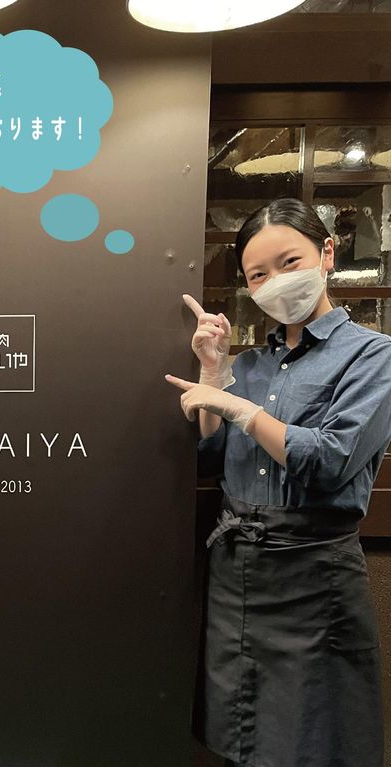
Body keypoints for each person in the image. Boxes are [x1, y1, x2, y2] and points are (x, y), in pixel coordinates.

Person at [165, 198, 391, 767]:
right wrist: (214, 373)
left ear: (327, 253)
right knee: (239, 735)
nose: (275, 282)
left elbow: (332, 460)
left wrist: (243, 411)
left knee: (314, 738)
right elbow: (212, 457)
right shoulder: (249, 366)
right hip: (237, 569)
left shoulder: (373, 356)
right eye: (257, 275)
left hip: (313, 571)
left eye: (289, 262)